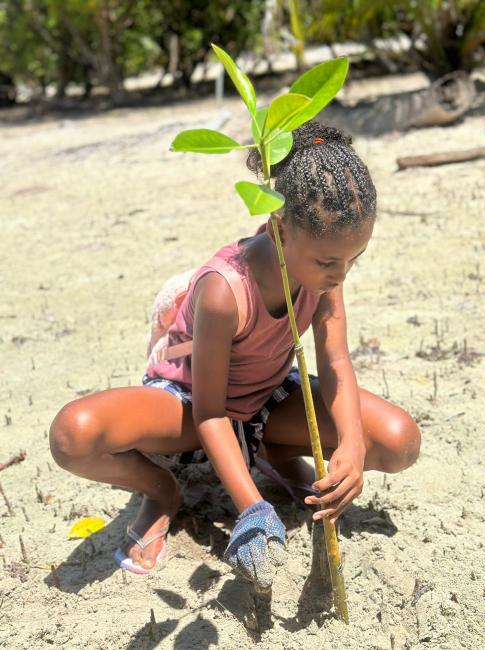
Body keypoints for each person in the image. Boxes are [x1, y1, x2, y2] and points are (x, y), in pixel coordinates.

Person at [49, 121, 421, 590]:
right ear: (278, 229)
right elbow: (209, 412)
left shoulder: (325, 270)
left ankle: (270, 452)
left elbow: (336, 362)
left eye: (354, 260)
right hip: (189, 405)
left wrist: (351, 443)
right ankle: (162, 490)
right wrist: (254, 509)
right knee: (72, 434)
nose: (340, 274)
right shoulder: (225, 289)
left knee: (398, 440)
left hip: (265, 397)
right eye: (329, 262)